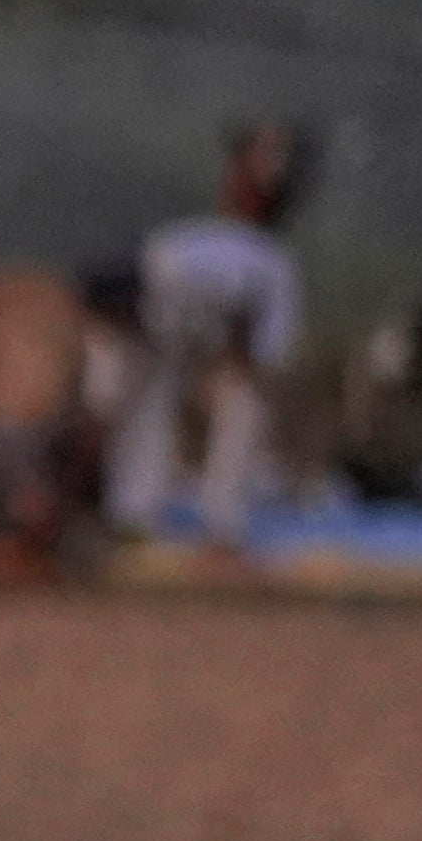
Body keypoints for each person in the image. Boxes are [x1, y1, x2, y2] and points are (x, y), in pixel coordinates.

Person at [109, 118, 315, 542]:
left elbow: (267, 357)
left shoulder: (271, 265)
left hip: (213, 355)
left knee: (243, 405)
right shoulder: (183, 242)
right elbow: (120, 297)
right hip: (153, 337)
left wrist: (229, 368)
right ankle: (133, 517)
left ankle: (220, 527)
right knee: (147, 394)